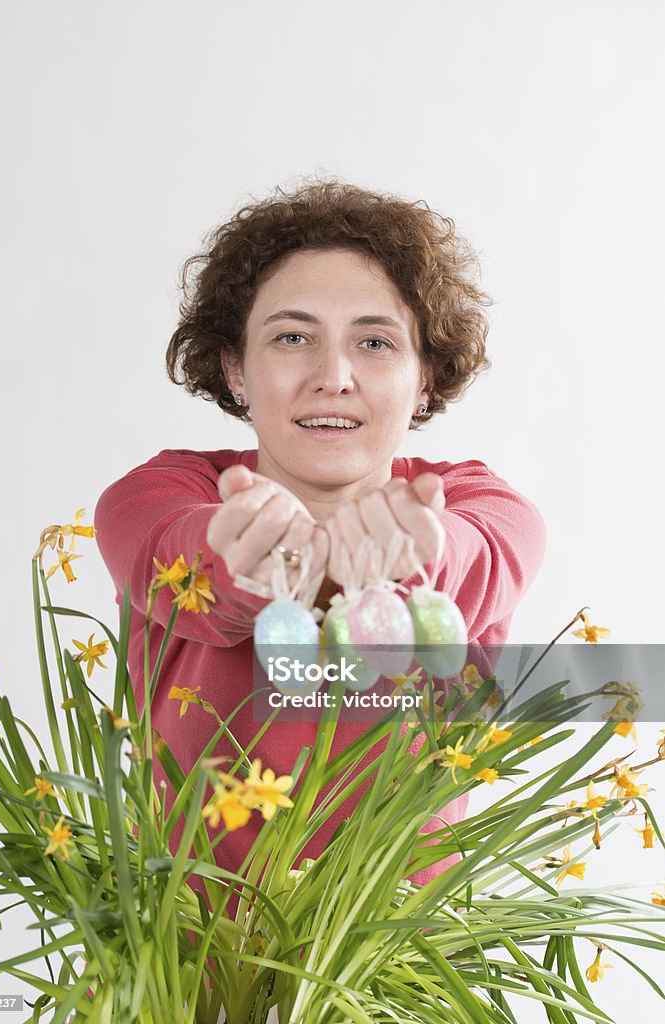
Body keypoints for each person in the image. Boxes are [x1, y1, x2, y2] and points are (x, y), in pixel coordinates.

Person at [94, 180, 546, 893]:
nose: (332, 376)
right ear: (236, 369)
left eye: (373, 342)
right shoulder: (158, 496)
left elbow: (467, 563)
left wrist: (410, 562)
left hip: (399, 983)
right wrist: (243, 559)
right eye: (292, 337)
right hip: (183, 978)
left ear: (424, 375)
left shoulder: (482, 507)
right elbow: (180, 561)